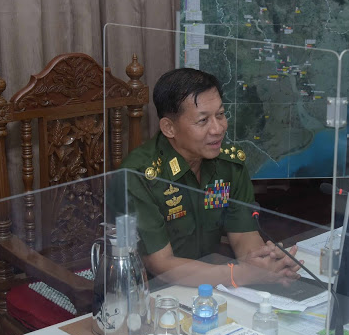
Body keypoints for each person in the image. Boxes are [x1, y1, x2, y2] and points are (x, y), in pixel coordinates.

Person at [118, 68, 301, 287]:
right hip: (157, 290)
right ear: (169, 128)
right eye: (203, 120)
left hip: (214, 282)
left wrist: (266, 264)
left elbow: (243, 234)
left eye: (220, 115)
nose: (218, 129)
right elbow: (160, 264)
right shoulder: (140, 175)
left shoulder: (228, 164)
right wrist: (241, 274)